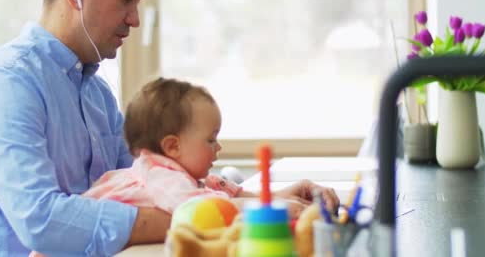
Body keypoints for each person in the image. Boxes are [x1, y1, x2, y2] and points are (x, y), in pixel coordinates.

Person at [0, 0, 337, 257]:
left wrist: (266, 203)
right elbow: (41, 221)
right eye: (126, 0)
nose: (134, 20)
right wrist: (215, 217)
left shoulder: (94, 93)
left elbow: (152, 184)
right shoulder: (4, 86)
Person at [30, 77, 340, 257]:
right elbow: (207, 210)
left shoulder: (180, 174)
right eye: (210, 140)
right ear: (172, 146)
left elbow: (231, 195)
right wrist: (279, 210)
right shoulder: (158, 175)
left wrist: (285, 196)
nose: (218, 148)